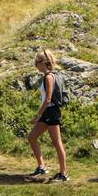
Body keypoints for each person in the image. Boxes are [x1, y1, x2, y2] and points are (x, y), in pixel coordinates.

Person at [26, 49, 69, 182]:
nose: (35, 65)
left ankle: (63, 174)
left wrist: (37, 116)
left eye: (36, 62)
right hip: (47, 112)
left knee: (57, 143)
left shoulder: (49, 77)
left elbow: (48, 99)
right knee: (32, 137)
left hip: (51, 112)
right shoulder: (48, 76)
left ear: (42, 63)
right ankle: (41, 166)